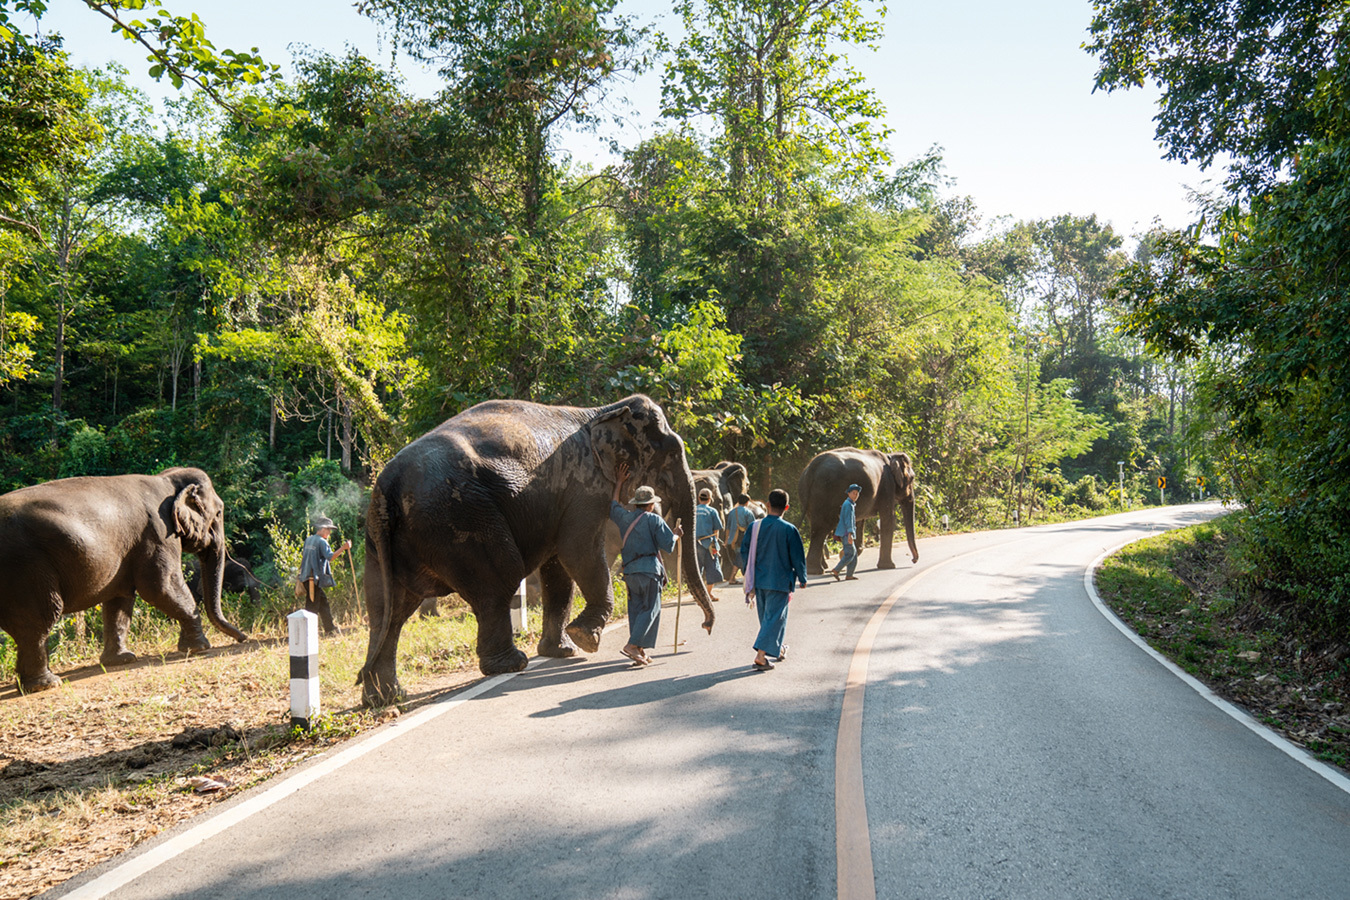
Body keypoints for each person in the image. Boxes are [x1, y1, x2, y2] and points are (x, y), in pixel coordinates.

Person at [610, 463, 682, 666]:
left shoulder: (624, 517)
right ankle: (633, 645)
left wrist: (618, 482)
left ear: (635, 504)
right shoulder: (654, 520)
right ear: (651, 504)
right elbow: (667, 544)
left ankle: (639, 650)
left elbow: (613, 504)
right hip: (649, 571)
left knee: (636, 609)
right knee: (651, 608)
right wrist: (676, 535)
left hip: (630, 572)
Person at [739, 488, 807, 671]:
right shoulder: (789, 529)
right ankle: (761, 655)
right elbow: (797, 557)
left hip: (759, 580)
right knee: (775, 618)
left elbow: (744, 551)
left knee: (767, 618)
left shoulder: (754, 527)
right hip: (780, 580)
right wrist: (802, 577)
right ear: (787, 507)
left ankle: (779, 649)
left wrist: (747, 572)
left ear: (768, 505)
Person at [298, 516, 352, 635]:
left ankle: (329, 628)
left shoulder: (309, 539)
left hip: (307, 577)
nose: (329, 532)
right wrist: (344, 548)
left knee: (323, 603)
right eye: (328, 529)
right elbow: (330, 557)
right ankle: (307, 633)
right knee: (312, 607)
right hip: (314, 579)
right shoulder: (322, 542)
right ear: (322, 529)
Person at [829, 483, 862, 582]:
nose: (855, 495)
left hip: (847, 532)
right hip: (846, 533)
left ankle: (849, 575)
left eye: (857, 493)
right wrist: (850, 534)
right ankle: (836, 570)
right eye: (853, 493)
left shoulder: (850, 504)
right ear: (848, 493)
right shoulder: (848, 505)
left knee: (854, 554)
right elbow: (848, 521)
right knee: (849, 554)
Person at [723, 493, 757, 585]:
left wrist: (726, 541)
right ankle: (732, 578)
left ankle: (745, 577)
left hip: (733, 540)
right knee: (740, 559)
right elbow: (753, 527)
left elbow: (728, 528)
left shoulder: (732, 512)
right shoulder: (748, 512)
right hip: (743, 539)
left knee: (739, 558)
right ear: (747, 502)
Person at [694, 488, 725, 586]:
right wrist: (715, 545)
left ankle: (697, 591)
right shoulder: (712, 511)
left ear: (698, 498)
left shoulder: (693, 511)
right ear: (710, 499)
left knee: (697, 568)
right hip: (708, 544)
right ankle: (709, 593)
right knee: (711, 568)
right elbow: (716, 530)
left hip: (694, 544)